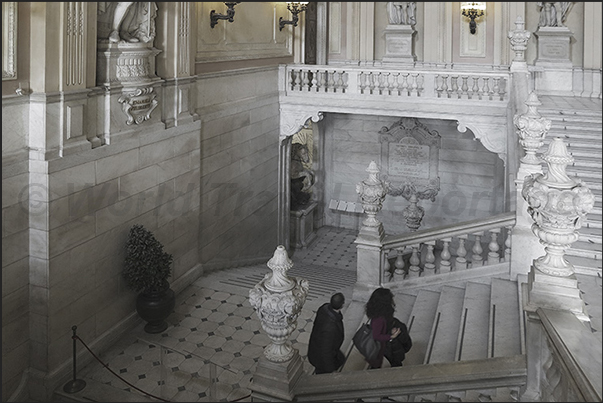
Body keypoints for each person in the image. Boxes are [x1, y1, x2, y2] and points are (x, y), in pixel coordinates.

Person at [364, 288, 412, 369]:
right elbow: (376, 336)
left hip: (386, 345)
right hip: (385, 346)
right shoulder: (378, 319)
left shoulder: (381, 312)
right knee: (392, 362)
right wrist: (391, 336)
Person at [307, 292, 346, 374]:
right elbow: (326, 350)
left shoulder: (323, 308)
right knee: (322, 374)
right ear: (342, 305)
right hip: (320, 358)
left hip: (316, 347)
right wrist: (331, 369)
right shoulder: (330, 328)